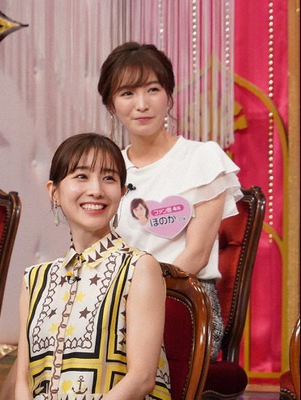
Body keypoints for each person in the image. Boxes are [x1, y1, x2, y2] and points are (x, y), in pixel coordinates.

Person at [97, 42, 242, 361]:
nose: (142, 104)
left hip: (186, 304)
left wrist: (137, 298)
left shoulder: (202, 158)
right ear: (111, 105)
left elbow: (197, 255)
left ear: (169, 97)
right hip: (119, 303)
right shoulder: (108, 169)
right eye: (127, 93)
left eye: (153, 89)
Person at [15, 133, 171, 400]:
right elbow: (23, 380)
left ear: (122, 192)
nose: (96, 190)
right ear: (54, 192)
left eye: (109, 178)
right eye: (81, 176)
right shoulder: (35, 279)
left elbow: (142, 379)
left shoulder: (139, 268)